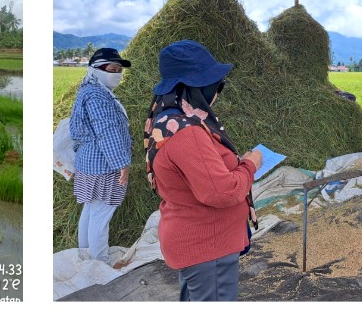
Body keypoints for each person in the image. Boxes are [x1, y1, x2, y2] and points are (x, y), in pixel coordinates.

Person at [144, 40, 262, 301]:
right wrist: (250, 164)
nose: (217, 92)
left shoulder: (166, 120)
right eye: (214, 85)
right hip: (208, 247)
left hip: (197, 245)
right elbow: (222, 192)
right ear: (196, 89)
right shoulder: (188, 134)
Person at [69, 48, 133, 263]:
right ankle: (99, 262)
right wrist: (122, 163)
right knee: (102, 213)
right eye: (111, 69)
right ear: (96, 69)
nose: (116, 73)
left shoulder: (91, 90)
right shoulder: (97, 95)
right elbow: (107, 131)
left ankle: (85, 255)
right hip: (103, 164)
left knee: (91, 208)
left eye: (118, 70)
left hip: (90, 163)